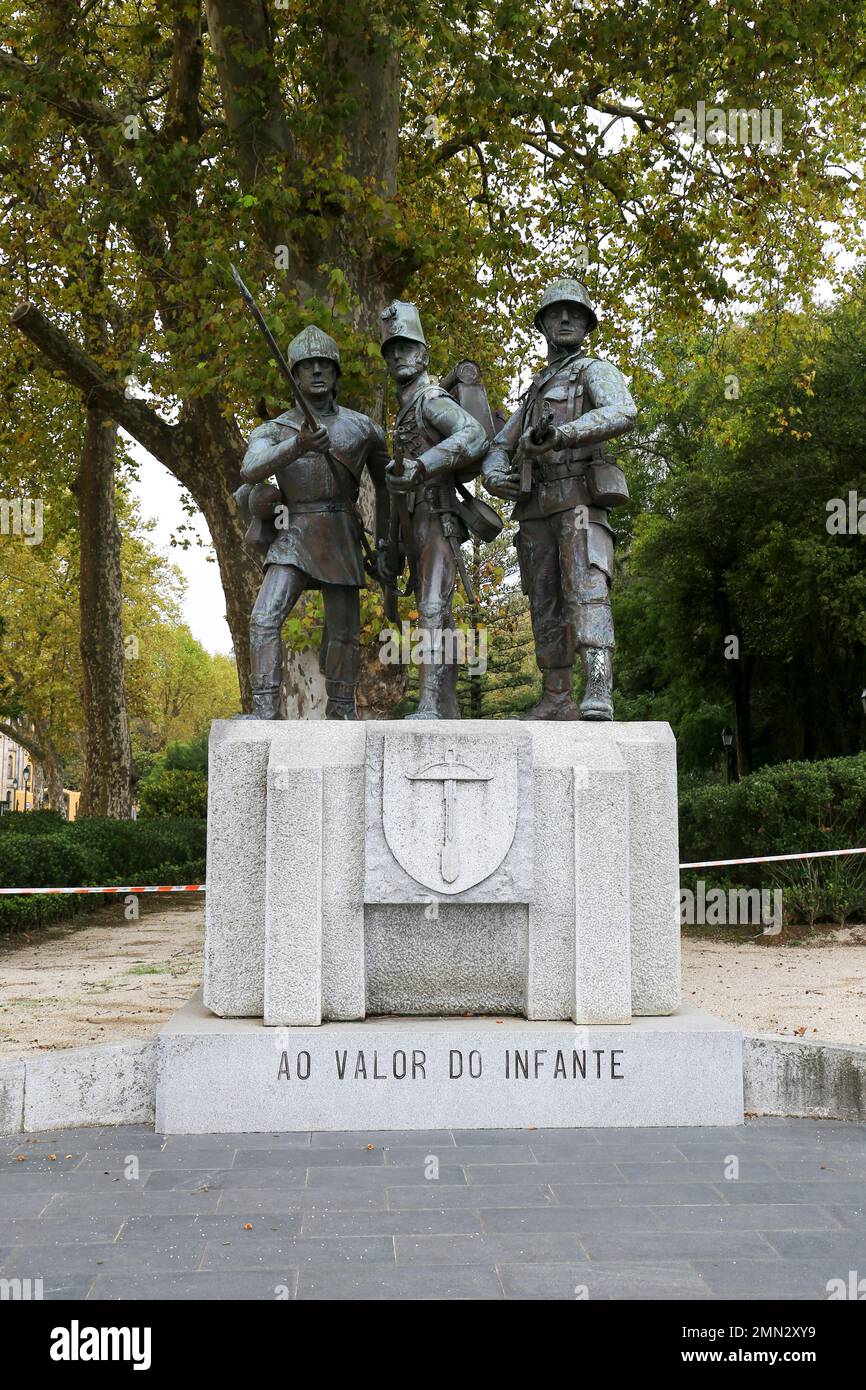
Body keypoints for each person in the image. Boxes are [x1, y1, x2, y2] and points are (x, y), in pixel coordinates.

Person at [482, 278, 636, 719]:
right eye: (555, 313)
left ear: (587, 324)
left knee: (586, 591)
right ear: (544, 325)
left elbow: (623, 411)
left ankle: (599, 691)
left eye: (574, 313)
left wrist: (562, 436)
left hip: (579, 504)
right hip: (534, 511)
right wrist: (494, 476)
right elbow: (499, 444)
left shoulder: (594, 370)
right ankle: (556, 696)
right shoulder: (535, 388)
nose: (565, 319)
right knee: (543, 599)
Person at [240, 324, 389, 719]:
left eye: (325, 364)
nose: (318, 371)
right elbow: (251, 468)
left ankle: (342, 710)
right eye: (308, 366)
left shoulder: (363, 428)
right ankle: (265, 709)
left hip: (341, 532)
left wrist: (390, 547)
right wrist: (299, 445)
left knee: (343, 634)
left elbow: (389, 488)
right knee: (263, 618)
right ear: (295, 375)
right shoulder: (273, 429)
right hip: (294, 530)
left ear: (337, 372)